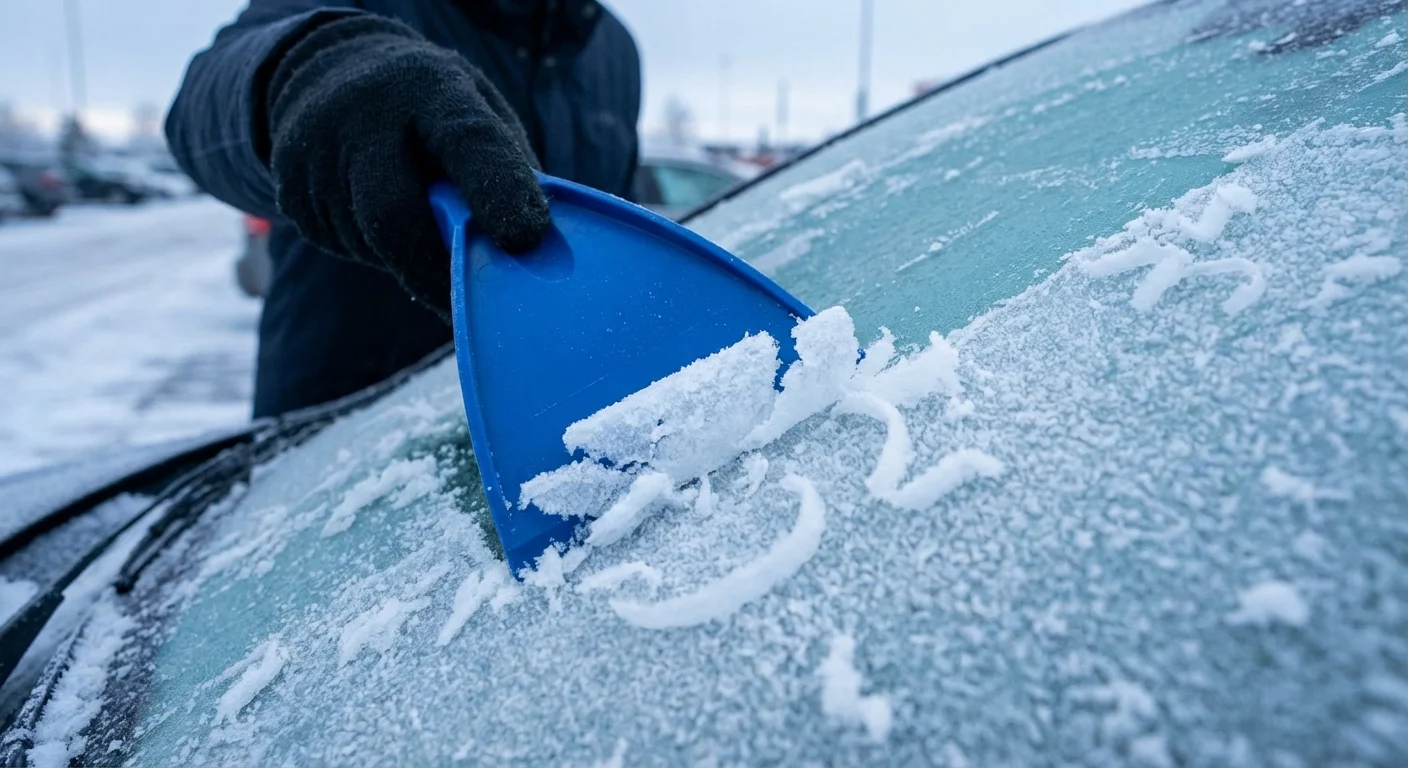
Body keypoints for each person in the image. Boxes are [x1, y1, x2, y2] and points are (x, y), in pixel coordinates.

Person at [166, 0, 641, 417]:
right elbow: (200, 108)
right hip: (336, 441)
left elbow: (610, 235)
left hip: (536, 429)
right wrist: (316, 69)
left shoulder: (611, 48)